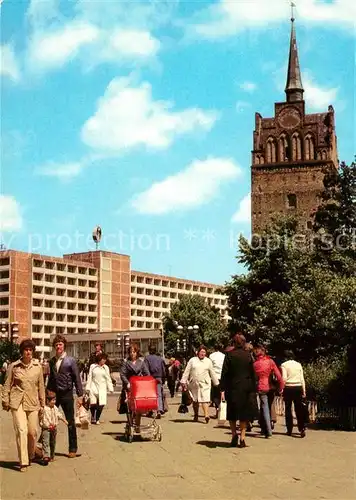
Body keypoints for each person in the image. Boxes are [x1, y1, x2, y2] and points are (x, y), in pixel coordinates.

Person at [1, 339, 45, 472]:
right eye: (26, 350)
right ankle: (23, 461)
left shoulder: (38, 367)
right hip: (17, 401)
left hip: (32, 402)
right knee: (21, 430)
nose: (28, 352)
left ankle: (31, 454)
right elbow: (7, 385)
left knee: (32, 432)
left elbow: (41, 386)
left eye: (30, 350)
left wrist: (43, 403)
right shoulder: (14, 367)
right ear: (22, 351)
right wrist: (5, 401)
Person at [47, 334, 83, 458]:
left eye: (60, 344)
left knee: (70, 421)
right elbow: (51, 378)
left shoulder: (71, 361)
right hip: (54, 394)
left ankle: (72, 448)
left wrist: (80, 395)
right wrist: (48, 393)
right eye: (56, 345)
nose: (58, 347)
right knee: (49, 420)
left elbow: (77, 378)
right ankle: (45, 448)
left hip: (67, 393)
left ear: (64, 346)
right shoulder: (51, 361)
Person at [220, 334, 257, 448]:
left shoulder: (229, 355)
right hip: (246, 388)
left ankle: (234, 435)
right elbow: (252, 373)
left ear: (234, 343)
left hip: (233, 388)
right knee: (243, 414)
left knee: (232, 413)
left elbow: (224, 373)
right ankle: (243, 437)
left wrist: (222, 389)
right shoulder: (248, 356)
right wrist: (253, 389)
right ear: (244, 343)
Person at [180, 345, 219, 423]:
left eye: (204, 352)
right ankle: (196, 415)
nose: (203, 354)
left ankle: (206, 415)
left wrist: (216, 383)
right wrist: (183, 381)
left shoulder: (208, 361)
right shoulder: (192, 360)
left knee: (205, 400)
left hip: (205, 384)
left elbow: (212, 373)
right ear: (198, 352)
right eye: (201, 352)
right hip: (194, 384)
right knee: (195, 401)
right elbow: (187, 371)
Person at [253, 344, 284, 438]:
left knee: (264, 407)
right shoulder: (270, 361)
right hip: (271, 387)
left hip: (261, 387)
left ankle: (267, 430)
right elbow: (279, 376)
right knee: (269, 407)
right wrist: (281, 387)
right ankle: (267, 428)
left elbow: (254, 378)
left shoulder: (255, 364)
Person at [120, 344, 149, 433]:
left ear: (137, 352)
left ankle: (137, 425)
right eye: (131, 352)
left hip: (139, 387)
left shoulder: (141, 362)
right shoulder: (126, 362)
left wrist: (145, 381)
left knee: (138, 407)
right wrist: (127, 383)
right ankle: (130, 423)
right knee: (130, 407)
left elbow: (147, 373)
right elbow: (122, 374)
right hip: (129, 386)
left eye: (134, 352)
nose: (132, 354)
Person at [281, 350, 307, 438]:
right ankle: (302, 427)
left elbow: (284, 378)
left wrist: (281, 388)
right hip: (298, 387)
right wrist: (304, 390)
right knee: (298, 408)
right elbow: (302, 378)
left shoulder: (284, 365)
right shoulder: (298, 364)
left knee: (288, 409)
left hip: (288, 387)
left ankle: (289, 429)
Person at [86, 353, 114, 424]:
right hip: (93, 386)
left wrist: (110, 388)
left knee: (101, 404)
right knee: (93, 403)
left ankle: (97, 418)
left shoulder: (106, 367)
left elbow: (108, 378)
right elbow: (90, 377)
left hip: (102, 388)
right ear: (99, 359)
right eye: (103, 359)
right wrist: (88, 388)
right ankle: (93, 416)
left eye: (105, 359)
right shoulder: (93, 366)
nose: (104, 360)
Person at [40, 393, 68, 465]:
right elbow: (43, 418)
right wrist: (47, 425)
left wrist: (64, 420)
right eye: (52, 400)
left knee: (53, 442)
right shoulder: (45, 409)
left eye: (55, 400)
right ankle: (46, 456)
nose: (54, 402)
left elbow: (59, 414)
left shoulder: (55, 408)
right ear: (47, 401)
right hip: (46, 428)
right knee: (46, 442)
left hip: (54, 428)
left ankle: (52, 456)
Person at [145, 345, 166, 417]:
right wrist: (163, 379)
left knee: (150, 395)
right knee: (159, 394)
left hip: (150, 378)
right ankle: (159, 410)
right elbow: (163, 370)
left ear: (149, 350)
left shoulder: (147, 358)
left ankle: (150, 410)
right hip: (159, 378)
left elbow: (146, 369)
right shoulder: (160, 359)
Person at [209, 344, 225, 418]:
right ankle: (222, 410)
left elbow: (210, 367)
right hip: (222, 377)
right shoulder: (223, 355)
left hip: (214, 377)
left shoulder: (211, 356)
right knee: (222, 393)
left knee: (215, 395)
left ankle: (217, 409)